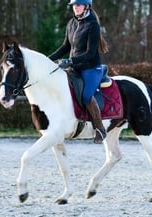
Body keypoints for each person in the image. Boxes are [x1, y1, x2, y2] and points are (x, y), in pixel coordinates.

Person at [49, 0, 109, 144]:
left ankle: (100, 128)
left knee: (87, 96)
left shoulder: (93, 25)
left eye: (78, 5)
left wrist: (70, 61)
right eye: (74, 5)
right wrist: (47, 60)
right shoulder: (71, 23)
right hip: (75, 67)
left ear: (86, 6)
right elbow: (65, 47)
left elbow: (90, 53)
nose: (75, 7)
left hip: (90, 68)